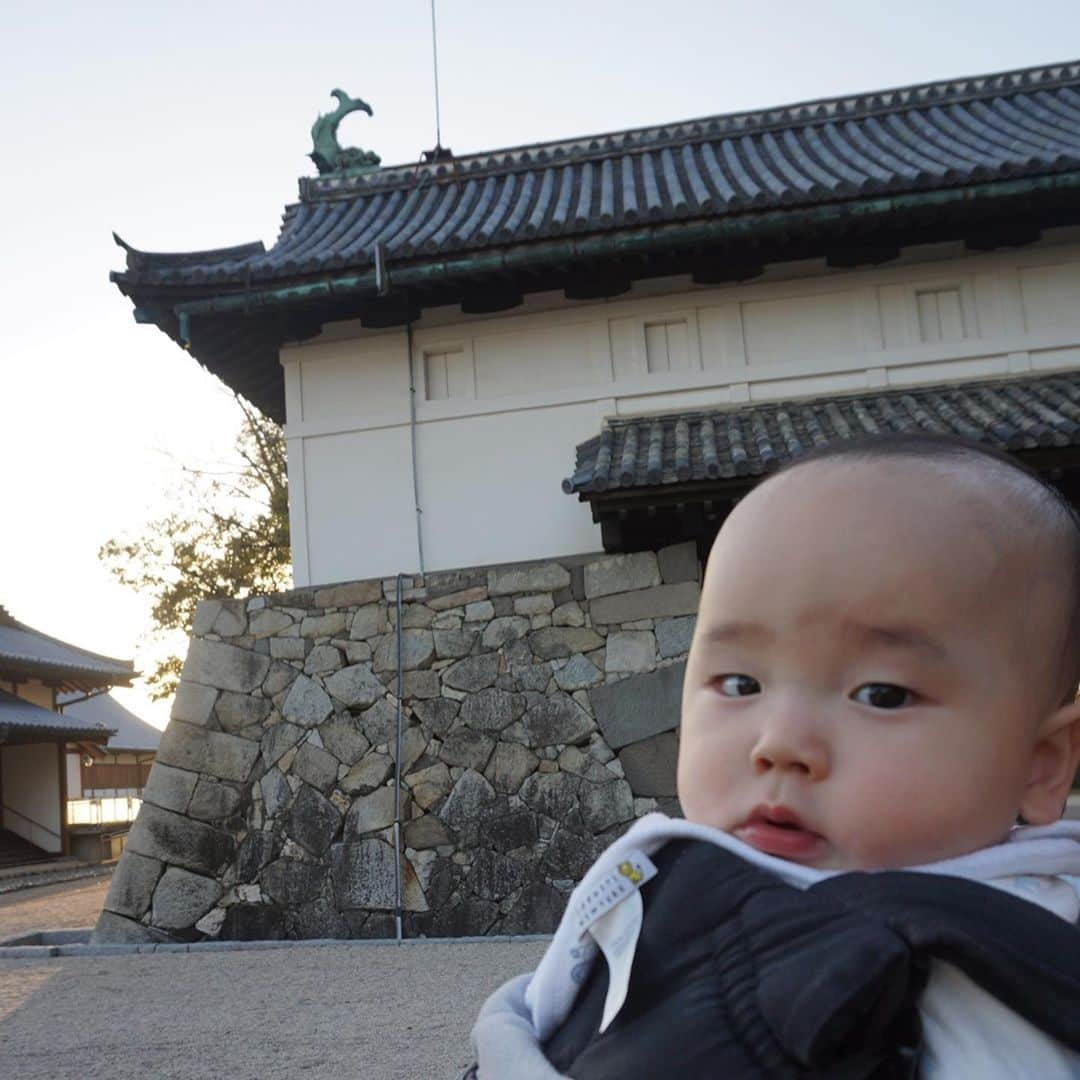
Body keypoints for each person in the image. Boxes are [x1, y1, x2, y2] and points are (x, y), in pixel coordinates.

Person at [462, 433, 1080, 1078]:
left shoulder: (985, 984)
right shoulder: (670, 871)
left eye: (882, 693)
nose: (779, 743)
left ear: (1040, 762)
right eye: (740, 685)